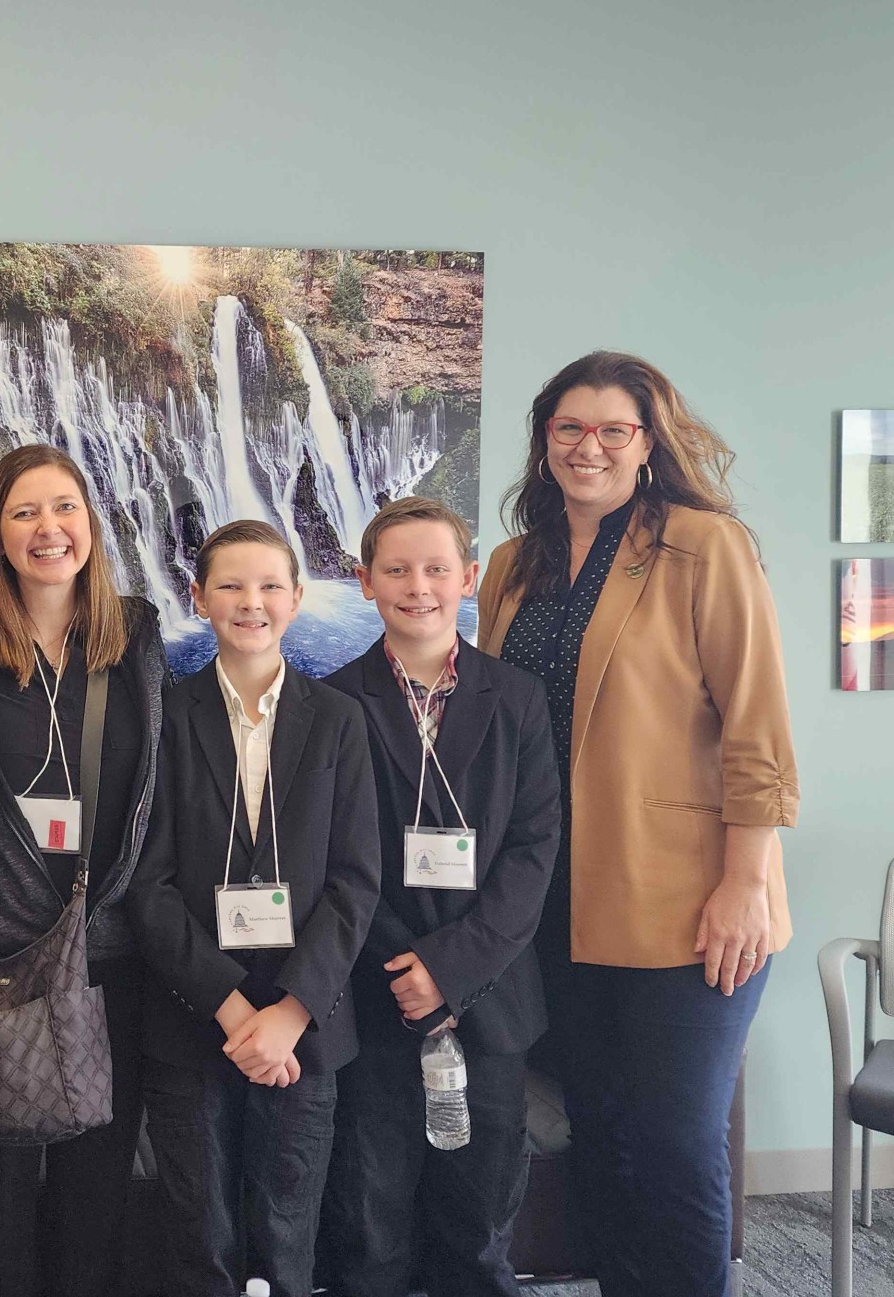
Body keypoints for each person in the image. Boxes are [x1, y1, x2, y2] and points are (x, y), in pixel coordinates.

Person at [477, 351, 799, 1297]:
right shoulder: (512, 564)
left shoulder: (704, 545)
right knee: (603, 1136)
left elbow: (759, 730)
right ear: (545, 442)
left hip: (690, 902)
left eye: (614, 429)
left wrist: (745, 883)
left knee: (674, 1147)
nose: (590, 447)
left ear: (648, 442)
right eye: (569, 428)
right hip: (556, 905)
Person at [0, 443, 168, 1297]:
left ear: (91, 525)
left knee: (94, 1188)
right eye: (25, 511)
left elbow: (153, 791)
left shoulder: (135, 636)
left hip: (112, 956)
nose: (48, 528)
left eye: (64, 507)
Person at [317, 496, 562, 1297]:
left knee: (481, 1217)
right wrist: (407, 970)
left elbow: (533, 852)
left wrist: (450, 972)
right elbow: (335, 860)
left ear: (469, 577)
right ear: (364, 582)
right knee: (370, 1214)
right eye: (395, 569)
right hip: (374, 994)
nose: (416, 586)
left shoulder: (518, 699)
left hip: (488, 1002)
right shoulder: (332, 702)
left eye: (434, 568)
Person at [129, 519, 381, 1297]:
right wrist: (237, 1012)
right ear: (198, 598)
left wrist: (291, 1011)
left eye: (270, 585)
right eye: (231, 586)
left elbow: (356, 880)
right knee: (199, 1238)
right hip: (193, 1016)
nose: (252, 602)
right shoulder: (164, 716)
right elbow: (148, 884)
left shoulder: (339, 719)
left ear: (298, 599)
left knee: (286, 1236)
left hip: (305, 1024)